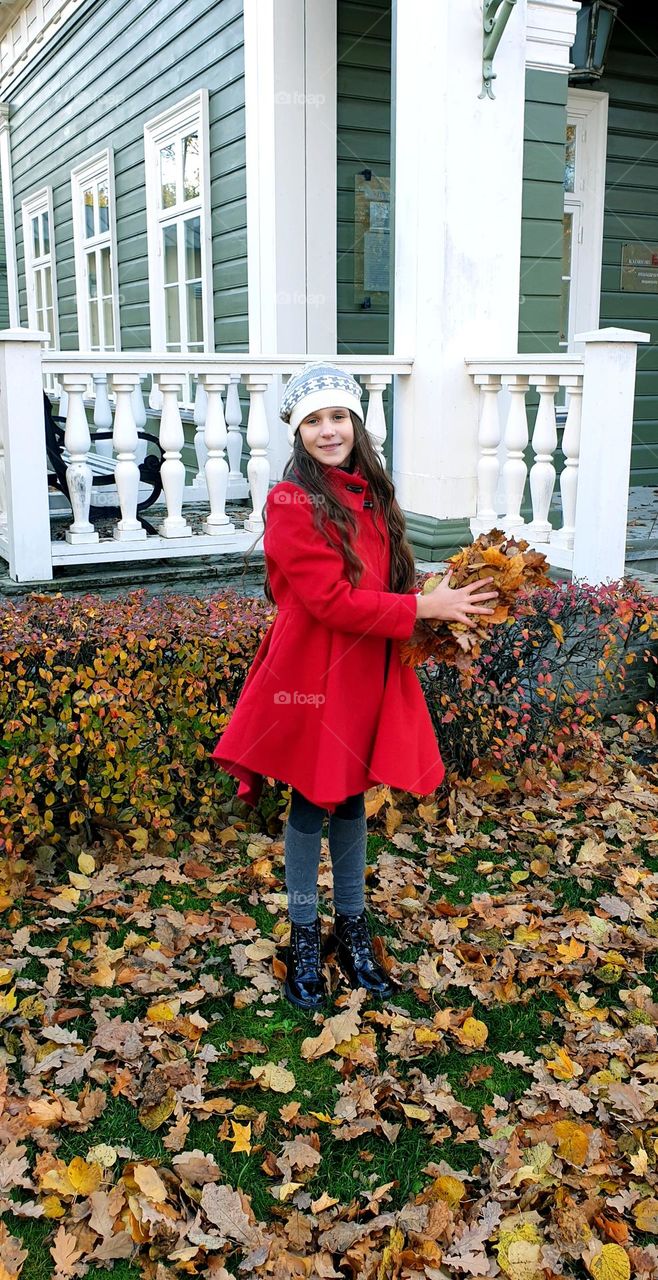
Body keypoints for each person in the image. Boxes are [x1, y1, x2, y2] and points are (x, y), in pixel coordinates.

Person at [211, 362, 498, 1011]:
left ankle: (354, 929)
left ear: (355, 421)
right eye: (313, 420)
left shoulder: (374, 490)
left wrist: (432, 609)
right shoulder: (291, 501)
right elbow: (330, 601)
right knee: (314, 802)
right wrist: (420, 611)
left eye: (337, 415)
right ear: (298, 432)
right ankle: (306, 935)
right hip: (314, 673)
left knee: (351, 802)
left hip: (368, 667)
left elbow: (390, 583)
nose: (328, 429)